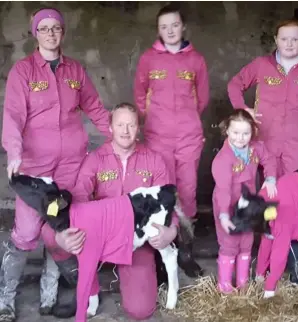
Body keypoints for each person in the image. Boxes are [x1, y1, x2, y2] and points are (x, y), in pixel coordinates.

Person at [0, 7, 110, 321]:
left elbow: (95, 108)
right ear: (36, 33)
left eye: (55, 28)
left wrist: (120, 134)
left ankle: (49, 296)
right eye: (44, 28)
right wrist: (15, 152)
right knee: (26, 233)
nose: (50, 33)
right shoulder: (24, 71)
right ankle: (5, 299)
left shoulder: (74, 70)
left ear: (62, 32)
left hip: (71, 166)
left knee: (61, 226)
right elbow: (13, 116)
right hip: (35, 169)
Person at [227, 18, 298, 285]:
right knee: (266, 203)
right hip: (264, 149)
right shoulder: (261, 66)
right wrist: (243, 110)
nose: (289, 43)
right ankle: (264, 261)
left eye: (295, 39)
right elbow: (234, 85)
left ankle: (294, 262)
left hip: (296, 152)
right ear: (275, 40)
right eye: (284, 38)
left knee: (295, 206)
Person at [54, 103, 179, 320]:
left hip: (135, 240)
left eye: (131, 125)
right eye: (120, 124)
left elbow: (167, 203)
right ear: (110, 127)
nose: (125, 130)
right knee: (57, 238)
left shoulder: (154, 159)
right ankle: (87, 290)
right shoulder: (95, 158)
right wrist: (65, 234)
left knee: (140, 310)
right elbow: (79, 198)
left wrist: (172, 231)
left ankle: (145, 274)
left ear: (138, 128)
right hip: (102, 234)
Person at [134, 4, 209, 272]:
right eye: (164, 26)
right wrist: (155, 122)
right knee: (162, 192)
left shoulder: (196, 60)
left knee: (187, 193)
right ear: (158, 30)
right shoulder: (148, 59)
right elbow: (140, 96)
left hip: (188, 138)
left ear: (183, 26)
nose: (170, 31)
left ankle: (185, 252)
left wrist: (187, 121)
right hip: (158, 138)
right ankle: (160, 253)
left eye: (174, 25)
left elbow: (202, 98)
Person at [211, 109, 277, 293]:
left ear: (253, 132)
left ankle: (242, 282)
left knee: (247, 241)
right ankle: (224, 285)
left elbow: (270, 160)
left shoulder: (256, 148)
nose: (240, 138)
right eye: (236, 133)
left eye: (246, 133)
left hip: (248, 206)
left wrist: (270, 178)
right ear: (227, 131)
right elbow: (223, 189)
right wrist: (224, 214)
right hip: (228, 205)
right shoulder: (223, 160)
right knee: (229, 243)